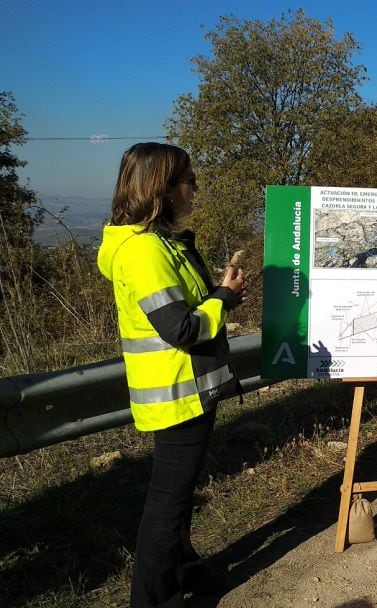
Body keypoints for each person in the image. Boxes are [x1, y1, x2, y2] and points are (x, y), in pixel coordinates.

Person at [97, 142, 246, 607]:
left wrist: (220, 292)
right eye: (187, 181)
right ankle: (153, 600)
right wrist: (222, 297)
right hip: (175, 394)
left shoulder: (157, 243)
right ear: (161, 189)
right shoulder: (143, 252)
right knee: (167, 506)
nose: (193, 190)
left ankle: (186, 574)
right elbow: (180, 327)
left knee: (177, 502)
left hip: (186, 389)